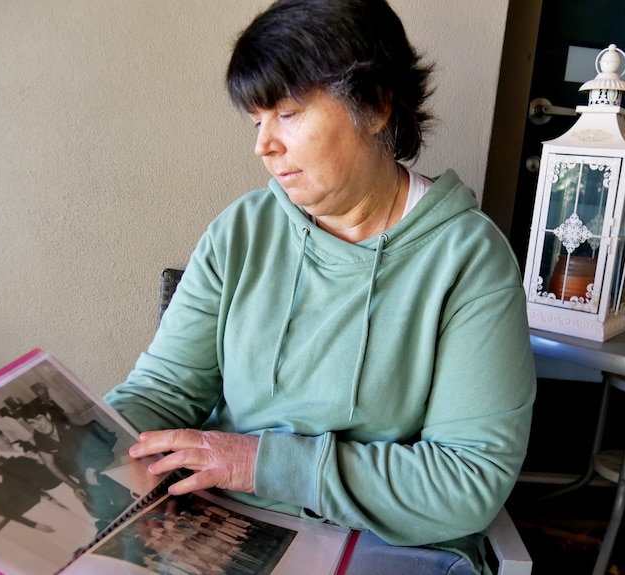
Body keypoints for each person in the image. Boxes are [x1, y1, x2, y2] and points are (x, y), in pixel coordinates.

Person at [104, 0, 536, 572]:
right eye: (257, 120)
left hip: (378, 542)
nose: (264, 145)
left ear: (378, 105)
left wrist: (259, 463)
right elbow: (162, 393)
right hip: (217, 519)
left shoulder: (469, 261)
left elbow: (466, 481)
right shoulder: (242, 231)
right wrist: (87, 439)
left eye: (287, 113)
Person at [16, 401, 135, 531]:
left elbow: (105, 453)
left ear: (47, 416)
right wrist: (74, 486)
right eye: (32, 423)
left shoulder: (72, 429)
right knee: (98, 512)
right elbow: (50, 465)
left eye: (39, 419)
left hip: (104, 468)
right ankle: (125, 529)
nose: (38, 425)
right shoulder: (39, 437)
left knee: (122, 502)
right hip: (84, 477)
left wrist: (91, 469)